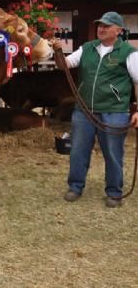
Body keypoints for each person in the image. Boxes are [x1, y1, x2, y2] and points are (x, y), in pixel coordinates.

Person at [53, 11, 138, 208]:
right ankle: (75, 187)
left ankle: (114, 192)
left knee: (113, 153)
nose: (101, 28)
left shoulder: (129, 53)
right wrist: (57, 52)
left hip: (114, 111)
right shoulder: (87, 48)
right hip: (84, 110)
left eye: (107, 26)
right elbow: (64, 65)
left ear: (118, 30)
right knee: (78, 151)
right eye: (100, 25)